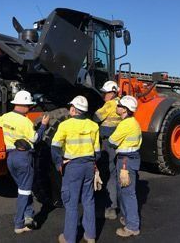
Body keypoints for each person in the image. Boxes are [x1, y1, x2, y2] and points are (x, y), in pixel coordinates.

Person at [0, 90, 49, 234]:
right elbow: (35, 139)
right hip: (23, 158)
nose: (30, 108)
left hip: (10, 158)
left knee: (23, 188)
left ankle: (28, 216)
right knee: (24, 192)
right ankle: (19, 224)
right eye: (29, 106)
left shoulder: (4, 117)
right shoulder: (25, 122)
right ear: (25, 106)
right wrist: (43, 125)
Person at [51, 96, 101, 243]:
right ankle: (90, 236)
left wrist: (58, 163)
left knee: (71, 203)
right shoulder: (93, 126)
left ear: (73, 109)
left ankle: (69, 238)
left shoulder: (65, 125)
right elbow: (97, 153)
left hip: (73, 167)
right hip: (89, 166)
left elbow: (54, 147)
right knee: (88, 200)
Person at [108, 95, 142, 237]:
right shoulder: (133, 122)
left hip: (125, 162)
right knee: (124, 192)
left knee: (128, 194)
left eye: (120, 105)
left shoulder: (125, 124)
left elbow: (111, 141)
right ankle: (128, 218)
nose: (117, 107)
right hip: (128, 160)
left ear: (125, 110)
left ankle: (132, 227)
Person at [93, 80, 122, 220]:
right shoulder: (121, 104)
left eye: (106, 93)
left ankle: (111, 208)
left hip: (108, 142)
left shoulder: (109, 104)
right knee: (116, 172)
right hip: (118, 142)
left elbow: (96, 117)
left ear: (113, 92)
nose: (104, 95)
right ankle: (119, 204)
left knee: (109, 173)